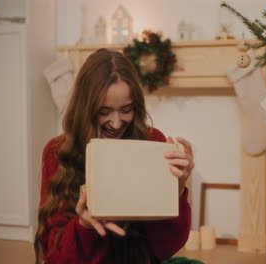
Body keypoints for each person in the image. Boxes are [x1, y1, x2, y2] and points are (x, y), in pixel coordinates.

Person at [34, 49, 194, 264]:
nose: (116, 123)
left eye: (125, 109)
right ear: (85, 108)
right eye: (103, 111)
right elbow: (55, 256)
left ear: (135, 106)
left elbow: (166, 248)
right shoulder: (57, 152)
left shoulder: (152, 141)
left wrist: (177, 190)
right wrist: (84, 226)